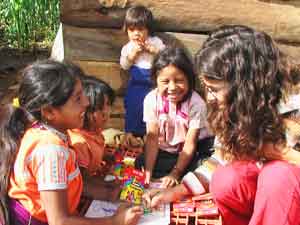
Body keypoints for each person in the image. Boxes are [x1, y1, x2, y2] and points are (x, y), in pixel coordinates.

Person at [143, 25, 300, 225]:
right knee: (226, 179)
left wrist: (283, 153)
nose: (209, 98)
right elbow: (222, 158)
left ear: (244, 85)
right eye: (207, 88)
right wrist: (177, 191)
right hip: (266, 199)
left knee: (278, 177)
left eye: (214, 89)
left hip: (287, 198)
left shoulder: (294, 105)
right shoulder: (238, 107)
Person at [0, 60, 143, 225]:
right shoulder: (50, 150)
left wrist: (105, 190)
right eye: (77, 98)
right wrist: (115, 221)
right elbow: (60, 221)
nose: (87, 103)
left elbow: (66, 184)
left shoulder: (49, 133)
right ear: (49, 111)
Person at [136, 47, 213, 188]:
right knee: (141, 163)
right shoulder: (151, 100)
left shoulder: (196, 103)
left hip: (194, 150)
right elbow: (152, 138)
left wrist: (175, 173)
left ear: (189, 80)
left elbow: (190, 143)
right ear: (156, 80)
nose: (172, 87)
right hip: (167, 150)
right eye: (165, 81)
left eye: (179, 80)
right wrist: (148, 172)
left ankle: (179, 173)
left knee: (203, 166)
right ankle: (174, 172)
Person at [68, 75, 120, 201]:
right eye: (100, 108)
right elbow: (83, 183)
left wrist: (104, 156)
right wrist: (107, 189)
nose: (107, 112)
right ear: (84, 111)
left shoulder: (94, 132)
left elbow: (96, 149)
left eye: (108, 105)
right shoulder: (80, 144)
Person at [120, 5, 165, 141]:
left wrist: (153, 50)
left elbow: (165, 57)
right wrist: (132, 56)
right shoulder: (128, 47)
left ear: (148, 29)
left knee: (153, 108)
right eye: (132, 30)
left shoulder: (155, 42)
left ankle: (149, 134)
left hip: (152, 84)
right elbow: (124, 65)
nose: (136, 34)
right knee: (134, 106)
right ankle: (132, 134)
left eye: (140, 29)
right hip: (136, 84)